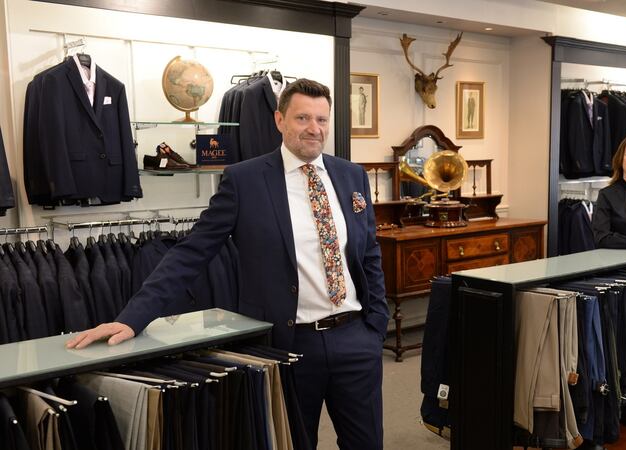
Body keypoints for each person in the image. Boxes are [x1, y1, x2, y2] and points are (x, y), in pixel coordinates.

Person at [66, 78, 389, 449]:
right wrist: (132, 317)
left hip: (356, 340)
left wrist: (375, 323)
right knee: (293, 443)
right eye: (303, 118)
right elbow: (191, 253)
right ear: (280, 120)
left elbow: (368, 253)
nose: (314, 129)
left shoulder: (351, 175)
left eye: (322, 120)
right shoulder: (245, 180)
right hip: (290, 345)